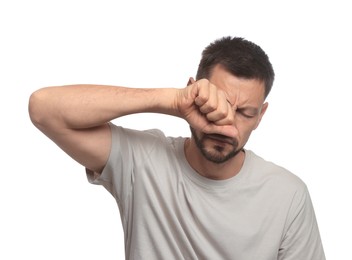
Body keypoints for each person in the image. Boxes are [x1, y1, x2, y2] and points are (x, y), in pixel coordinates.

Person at [28, 36, 325, 260]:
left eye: (245, 113)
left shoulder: (288, 195)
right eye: (217, 105)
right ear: (192, 91)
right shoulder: (142, 161)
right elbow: (43, 109)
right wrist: (171, 101)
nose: (225, 125)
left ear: (260, 116)